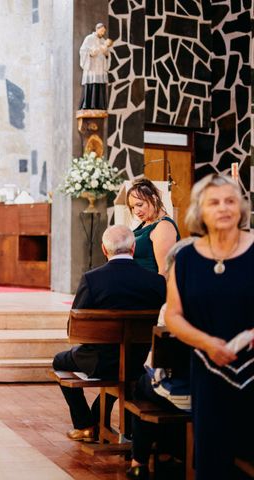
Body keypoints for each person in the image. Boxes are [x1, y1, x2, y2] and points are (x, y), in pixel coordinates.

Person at [165, 174, 254, 479]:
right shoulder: (186, 258)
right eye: (214, 202)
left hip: (253, 366)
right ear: (200, 211)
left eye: (231, 201)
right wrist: (206, 342)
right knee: (213, 459)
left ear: (241, 208)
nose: (224, 208)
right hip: (209, 368)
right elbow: (173, 316)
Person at [53, 225, 166, 442]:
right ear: (133, 248)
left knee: (60, 361)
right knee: (125, 372)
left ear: (104, 249)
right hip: (143, 362)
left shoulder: (92, 279)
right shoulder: (156, 281)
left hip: (102, 362)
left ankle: (85, 425)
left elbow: (76, 331)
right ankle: (100, 421)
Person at [126, 238, 194, 479]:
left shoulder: (172, 307)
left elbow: (157, 362)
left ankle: (139, 460)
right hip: (214, 388)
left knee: (143, 387)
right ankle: (173, 452)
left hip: (184, 392)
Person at [126, 178, 180, 275]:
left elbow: (165, 272)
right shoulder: (147, 222)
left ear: (154, 199)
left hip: (150, 288)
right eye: (132, 207)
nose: (136, 211)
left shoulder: (164, 227)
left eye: (139, 205)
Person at [78, 23, 114, 110]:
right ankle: (89, 105)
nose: (103, 33)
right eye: (102, 31)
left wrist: (106, 54)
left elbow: (107, 54)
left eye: (104, 32)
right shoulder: (89, 38)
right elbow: (83, 51)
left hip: (100, 69)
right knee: (91, 85)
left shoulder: (103, 41)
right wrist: (92, 52)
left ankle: (99, 105)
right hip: (92, 68)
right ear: (97, 29)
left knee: (99, 86)